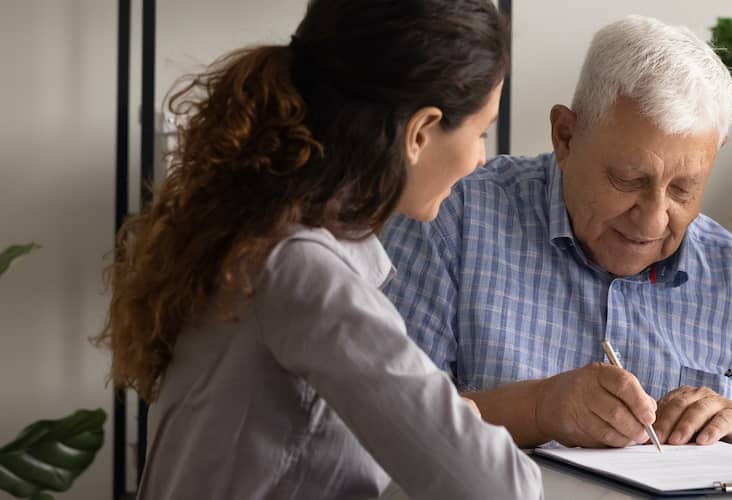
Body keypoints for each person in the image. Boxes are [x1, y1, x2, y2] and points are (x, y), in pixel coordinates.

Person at [97, 1, 542, 498]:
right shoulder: (306, 273)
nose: (482, 159)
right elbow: (500, 489)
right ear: (419, 132)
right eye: (480, 132)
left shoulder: (261, 232)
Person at [382, 15, 732, 449]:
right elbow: (379, 423)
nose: (653, 219)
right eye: (628, 179)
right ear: (565, 136)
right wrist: (538, 409)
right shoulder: (451, 222)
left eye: (683, 189)